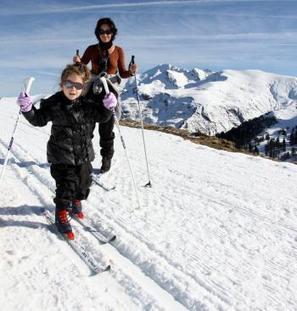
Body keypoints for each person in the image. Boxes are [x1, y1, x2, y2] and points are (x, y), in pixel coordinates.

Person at [17, 64, 117, 239]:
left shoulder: (88, 104)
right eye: (69, 84)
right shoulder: (54, 104)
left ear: (83, 86)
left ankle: (76, 199)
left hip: (84, 155)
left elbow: (102, 117)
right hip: (61, 156)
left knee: (84, 183)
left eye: (78, 85)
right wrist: (28, 110)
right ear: (62, 84)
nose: (73, 89)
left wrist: (108, 108)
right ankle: (62, 213)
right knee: (66, 186)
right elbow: (39, 119)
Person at [73, 17, 137, 173]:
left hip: (110, 89)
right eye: (101, 31)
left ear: (113, 33)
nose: (105, 34)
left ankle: (106, 158)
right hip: (94, 88)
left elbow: (122, 72)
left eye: (108, 31)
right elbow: (82, 68)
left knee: (107, 128)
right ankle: (85, 158)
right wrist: (77, 63)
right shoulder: (91, 49)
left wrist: (131, 72)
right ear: (97, 33)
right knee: (87, 126)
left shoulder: (119, 51)